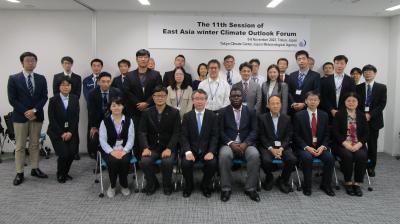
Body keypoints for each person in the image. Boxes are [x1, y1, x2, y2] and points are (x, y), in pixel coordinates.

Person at [7, 52, 49, 185]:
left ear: (36, 63)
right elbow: (12, 99)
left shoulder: (41, 78)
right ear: (22, 63)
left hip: (37, 116)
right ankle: (19, 172)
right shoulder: (13, 78)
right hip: (20, 117)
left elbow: (44, 97)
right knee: (20, 146)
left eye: (33, 61)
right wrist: (26, 111)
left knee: (35, 144)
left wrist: (34, 110)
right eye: (28, 61)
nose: (30, 63)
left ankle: (35, 168)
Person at [219, 87, 260, 202]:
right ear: (229, 98)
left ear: (243, 97)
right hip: (228, 144)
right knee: (224, 155)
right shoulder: (223, 111)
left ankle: (251, 188)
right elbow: (220, 131)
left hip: (246, 143)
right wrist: (231, 143)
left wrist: (246, 143)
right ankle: (226, 188)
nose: (236, 98)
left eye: (238, 96)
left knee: (254, 155)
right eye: (233, 96)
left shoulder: (251, 111)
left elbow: (254, 131)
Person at [139, 86, 181, 196]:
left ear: (166, 96)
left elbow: (176, 133)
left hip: (168, 147)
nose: (160, 98)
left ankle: (167, 185)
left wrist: (169, 148)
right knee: (144, 161)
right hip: (152, 147)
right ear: (153, 97)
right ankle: (152, 184)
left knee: (167, 162)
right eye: (157, 95)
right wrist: (145, 147)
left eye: (162, 95)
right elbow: (142, 132)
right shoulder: (147, 113)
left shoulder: (174, 112)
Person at [293, 91, 335, 196]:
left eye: (315, 100)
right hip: (304, 147)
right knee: (307, 158)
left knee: (330, 158)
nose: (312, 102)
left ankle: (326, 185)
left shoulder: (324, 115)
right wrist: (306, 147)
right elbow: (295, 135)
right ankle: (307, 186)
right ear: (306, 101)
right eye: (310, 99)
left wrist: (323, 147)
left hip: (320, 147)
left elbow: (327, 134)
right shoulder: (298, 115)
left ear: (319, 101)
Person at [180, 89, 218, 198]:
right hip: (191, 150)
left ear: (206, 101)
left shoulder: (212, 116)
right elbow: (184, 136)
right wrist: (187, 152)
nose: (199, 101)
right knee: (185, 163)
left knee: (212, 163)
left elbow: (215, 136)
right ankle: (189, 185)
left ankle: (205, 185)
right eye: (197, 99)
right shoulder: (187, 116)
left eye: (202, 99)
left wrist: (211, 151)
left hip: (206, 150)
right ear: (192, 101)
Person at [123, 49, 162, 154]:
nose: (143, 59)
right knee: (134, 135)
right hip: (134, 111)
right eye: (140, 57)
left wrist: (147, 103)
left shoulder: (156, 74)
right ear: (136, 59)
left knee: (151, 135)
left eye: (145, 57)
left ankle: (150, 159)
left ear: (148, 59)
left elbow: (158, 91)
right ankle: (136, 159)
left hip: (151, 110)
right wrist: (139, 104)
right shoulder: (129, 75)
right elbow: (127, 92)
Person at [258, 95, 296, 193]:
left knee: (292, 159)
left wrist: (281, 148)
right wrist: (271, 149)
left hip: (283, 146)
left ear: (281, 105)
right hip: (268, 147)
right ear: (268, 105)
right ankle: (269, 177)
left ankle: (283, 179)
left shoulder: (287, 118)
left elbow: (288, 136)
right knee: (265, 160)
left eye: (277, 103)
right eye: (273, 103)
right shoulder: (262, 118)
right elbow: (262, 136)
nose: (275, 106)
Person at [332, 92, 368, 196]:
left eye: (354, 101)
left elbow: (366, 133)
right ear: (344, 102)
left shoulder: (361, 115)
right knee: (347, 156)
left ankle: (357, 183)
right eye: (349, 101)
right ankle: (348, 182)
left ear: (358, 102)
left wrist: (359, 144)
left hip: (358, 143)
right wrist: (345, 144)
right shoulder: (339, 114)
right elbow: (335, 132)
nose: (351, 103)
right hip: (342, 144)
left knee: (361, 155)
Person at [99, 97, 134, 198]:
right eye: (113, 105)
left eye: (119, 105)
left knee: (124, 161)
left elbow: (131, 139)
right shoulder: (104, 122)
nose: (116, 108)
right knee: (113, 161)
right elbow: (102, 140)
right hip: (109, 150)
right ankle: (113, 186)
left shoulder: (129, 121)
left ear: (123, 107)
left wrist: (125, 151)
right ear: (110, 108)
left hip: (124, 149)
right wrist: (111, 151)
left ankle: (124, 185)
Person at [47, 76, 79, 183]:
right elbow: (52, 119)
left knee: (72, 153)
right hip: (56, 132)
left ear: (71, 86)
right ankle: (60, 174)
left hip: (71, 131)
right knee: (64, 154)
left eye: (68, 85)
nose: (66, 87)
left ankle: (65, 172)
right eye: (63, 85)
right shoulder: (53, 100)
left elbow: (76, 117)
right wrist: (62, 133)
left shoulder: (75, 98)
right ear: (59, 87)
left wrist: (70, 132)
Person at [356, 64, 387, 177]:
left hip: (374, 121)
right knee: (361, 144)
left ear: (375, 73)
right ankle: (361, 164)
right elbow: (356, 104)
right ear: (363, 74)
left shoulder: (381, 87)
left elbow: (382, 104)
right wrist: (361, 115)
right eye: (366, 72)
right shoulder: (358, 87)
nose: (368, 73)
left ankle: (371, 167)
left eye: (370, 71)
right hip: (360, 121)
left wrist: (370, 115)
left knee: (372, 145)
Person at [52, 56, 82, 160]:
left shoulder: (77, 77)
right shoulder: (57, 77)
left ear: (72, 64)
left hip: (73, 105)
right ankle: (62, 150)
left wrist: (71, 101)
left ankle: (75, 152)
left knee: (74, 128)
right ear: (62, 64)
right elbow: (55, 92)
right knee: (60, 128)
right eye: (65, 63)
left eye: (69, 63)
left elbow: (78, 93)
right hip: (60, 106)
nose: (67, 65)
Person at [87, 72, 122, 158]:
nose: (106, 84)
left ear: (110, 82)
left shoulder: (116, 92)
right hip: (97, 122)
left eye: (108, 81)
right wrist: (94, 127)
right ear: (98, 82)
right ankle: (98, 160)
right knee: (94, 140)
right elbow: (91, 111)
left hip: (113, 122)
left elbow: (120, 109)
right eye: (103, 81)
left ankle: (112, 158)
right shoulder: (92, 93)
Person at [320, 55, 356, 121]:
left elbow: (352, 97)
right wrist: (331, 109)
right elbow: (323, 96)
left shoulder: (351, 80)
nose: (339, 66)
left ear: (345, 65)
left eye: (342, 63)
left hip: (345, 112)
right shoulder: (326, 80)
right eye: (337, 63)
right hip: (328, 112)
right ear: (334, 64)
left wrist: (343, 110)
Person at [287, 50, 320, 116]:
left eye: (303, 58)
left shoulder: (315, 75)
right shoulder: (292, 75)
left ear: (307, 60)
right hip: (294, 109)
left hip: (308, 108)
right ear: (297, 61)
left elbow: (316, 92)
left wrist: (304, 104)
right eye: (299, 59)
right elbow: (289, 91)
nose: (301, 61)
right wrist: (293, 103)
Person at [83, 58, 103, 157]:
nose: (96, 68)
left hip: (104, 110)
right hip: (92, 109)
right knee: (92, 128)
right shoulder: (86, 80)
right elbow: (87, 95)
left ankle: (103, 151)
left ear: (101, 67)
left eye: (98, 66)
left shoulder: (105, 79)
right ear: (91, 67)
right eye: (94, 66)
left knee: (103, 130)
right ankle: (92, 151)